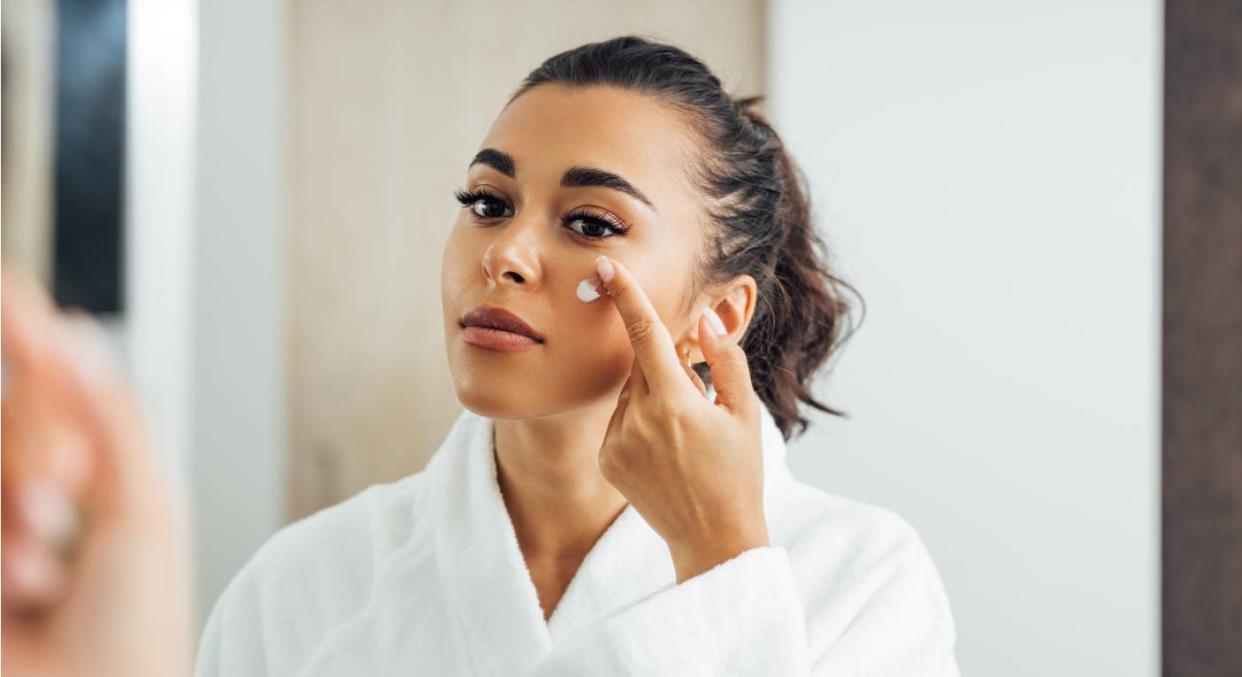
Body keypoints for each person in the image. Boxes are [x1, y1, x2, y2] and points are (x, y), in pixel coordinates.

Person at [3, 35, 959, 675]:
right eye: (488, 203)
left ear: (720, 308)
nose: (503, 251)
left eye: (590, 221)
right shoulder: (305, 585)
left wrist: (721, 570)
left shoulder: (855, 582)